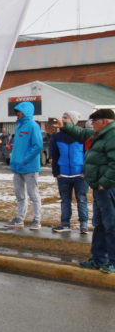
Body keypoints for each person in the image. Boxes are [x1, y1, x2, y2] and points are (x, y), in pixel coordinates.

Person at [60, 109, 115, 273]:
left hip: (108, 188)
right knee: (100, 224)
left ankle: (112, 262)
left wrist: (105, 183)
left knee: (111, 225)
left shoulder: (112, 135)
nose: (92, 125)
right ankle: (99, 259)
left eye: (94, 122)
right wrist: (65, 126)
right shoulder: (102, 134)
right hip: (99, 187)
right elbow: (83, 133)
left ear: (104, 121)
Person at [48, 111, 89, 235]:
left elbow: (88, 155)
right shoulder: (56, 136)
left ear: (73, 120)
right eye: (63, 117)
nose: (63, 119)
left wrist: (85, 172)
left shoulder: (82, 135)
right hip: (63, 175)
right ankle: (65, 224)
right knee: (65, 201)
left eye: (66, 118)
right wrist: (56, 173)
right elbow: (53, 155)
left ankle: (84, 225)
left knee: (81, 199)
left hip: (80, 175)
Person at [6, 101, 43, 230]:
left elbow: (38, 145)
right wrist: (13, 160)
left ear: (26, 112)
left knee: (33, 194)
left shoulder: (33, 126)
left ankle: (37, 220)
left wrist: (25, 160)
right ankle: (19, 219)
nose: (17, 114)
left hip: (30, 167)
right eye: (17, 111)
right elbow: (17, 147)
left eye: (19, 111)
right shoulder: (19, 127)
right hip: (17, 167)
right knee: (19, 194)